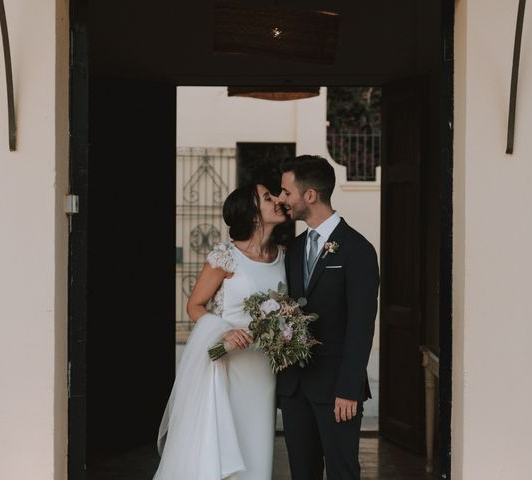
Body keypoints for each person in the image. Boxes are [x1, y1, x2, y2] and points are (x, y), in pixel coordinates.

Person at [153, 184, 287, 480]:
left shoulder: (284, 257)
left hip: (262, 368)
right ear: (252, 215)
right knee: (222, 444)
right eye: (268, 198)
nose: (278, 200)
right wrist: (223, 332)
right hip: (228, 364)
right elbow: (195, 306)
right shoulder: (225, 257)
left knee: (258, 441)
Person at [277, 155, 380, 480]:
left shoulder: (358, 249)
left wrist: (348, 388)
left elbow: (361, 326)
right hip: (295, 390)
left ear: (310, 195)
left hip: (338, 389)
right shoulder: (292, 249)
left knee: (342, 472)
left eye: (286, 192)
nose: (282, 200)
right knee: (302, 473)